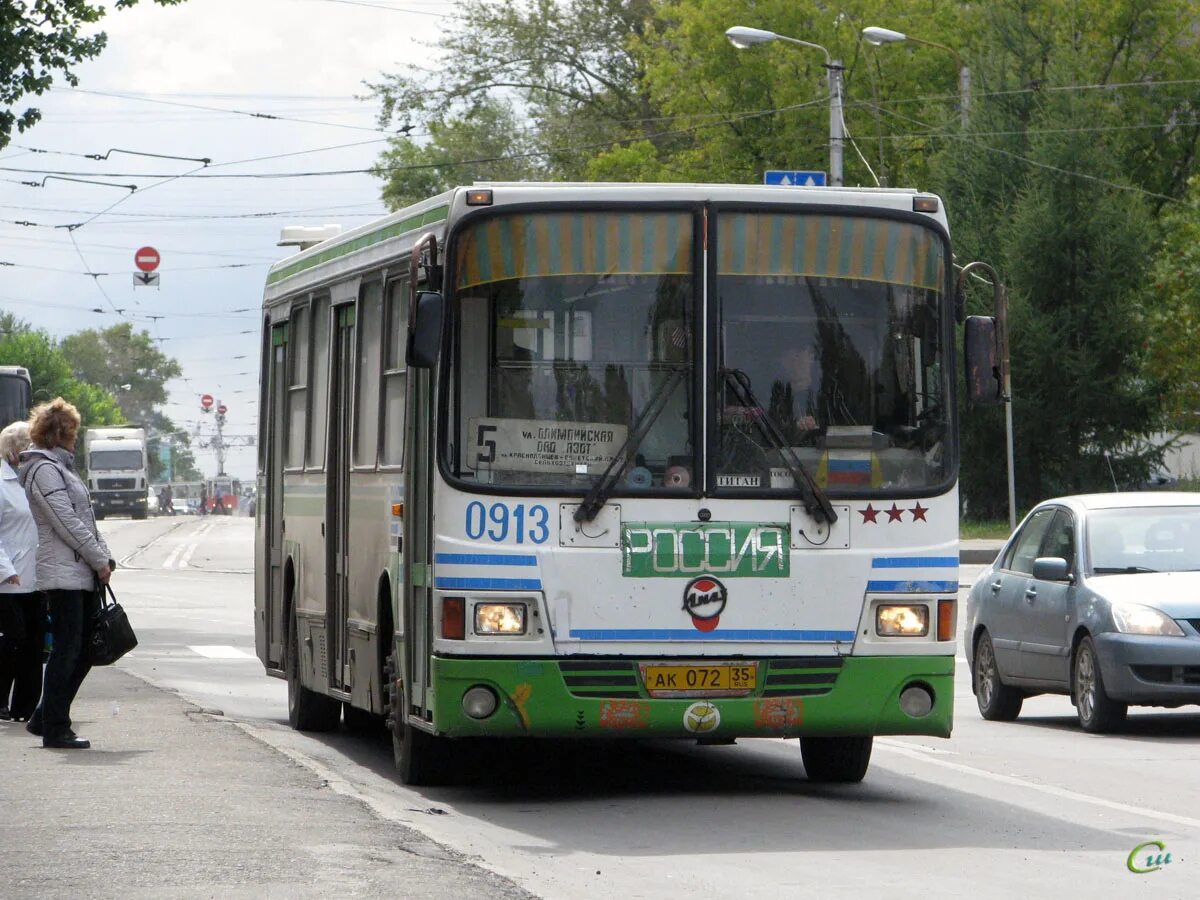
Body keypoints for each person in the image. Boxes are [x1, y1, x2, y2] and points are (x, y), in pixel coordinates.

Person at [18, 398, 114, 750]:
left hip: (78, 570)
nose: (77, 437)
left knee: (83, 649)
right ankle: (55, 727)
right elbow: (66, 522)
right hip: (63, 574)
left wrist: (103, 556)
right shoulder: (44, 469)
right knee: (67, 650)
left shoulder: (60, 467)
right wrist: (97, 558)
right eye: (73, 431)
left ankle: (45, 717)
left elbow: (84, 518)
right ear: (60, 433)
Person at [0, 421, 43, 723]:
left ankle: (26, 707)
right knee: (13, 637)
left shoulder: (34, 479)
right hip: (8, 577)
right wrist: (5, 569)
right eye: (28, 446)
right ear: (13, 450)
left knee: (34, 642)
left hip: (37, 575)